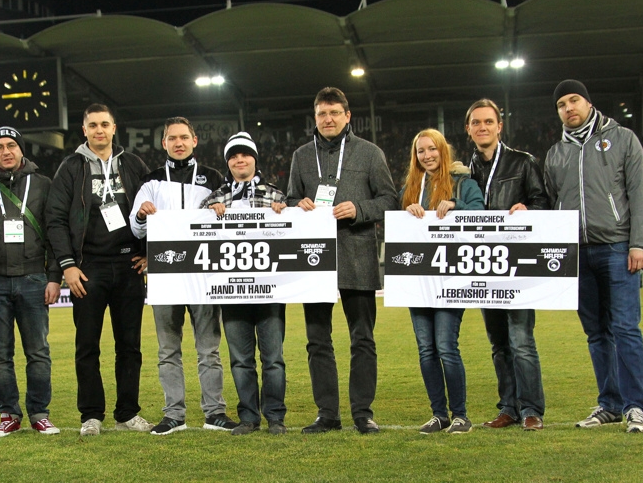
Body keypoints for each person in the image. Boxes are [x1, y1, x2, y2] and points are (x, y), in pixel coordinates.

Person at [286, 87, 398, 434]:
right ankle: (327, 414)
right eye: (322, 114)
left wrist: (359, 208)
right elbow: (290, 199)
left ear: (348, 116)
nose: (328, 119)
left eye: (335, 113)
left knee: (362, 337)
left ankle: (362, 413)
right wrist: (298, 205)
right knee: (317, 339)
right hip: (314, 260)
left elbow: (390, 200)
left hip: (358, 253)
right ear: (315, 118)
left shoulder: (370, 153)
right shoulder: (302, 155)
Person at [544, 79, 643, 433]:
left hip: (618, 246)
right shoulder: (556, 153)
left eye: (574, 100)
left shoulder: (622, 139)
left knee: (625, 328)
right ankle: (609, 404)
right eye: (562, 104)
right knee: (595, 333)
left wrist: (640, 242)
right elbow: (549, 202)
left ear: (588, 103)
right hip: (576, 253)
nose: (568, 108)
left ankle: (635, 407)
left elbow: (640, 193)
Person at [47, 104, 154, 436]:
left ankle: (127, 412)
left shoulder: (133, 164)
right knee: (87, 345)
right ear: (84, 129)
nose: (99, 130)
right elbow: (55, 219)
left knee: (130, 345)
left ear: (114, 127)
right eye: (92, 125)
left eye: (104, 124)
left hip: (128, 265)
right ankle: (91, 415)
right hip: (88, 268)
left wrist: (150, 253)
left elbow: (155, 207)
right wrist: (67, 266)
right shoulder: (70, 168)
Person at [130, 117, 238, 435]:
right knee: (168, 350)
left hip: (204, 277)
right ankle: (174, 415)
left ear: (194, 141)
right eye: (172, 138)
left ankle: (214, 413)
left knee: (208, 348)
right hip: (166, 276)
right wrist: (141, 213)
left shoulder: (215, 178)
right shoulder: (150, 182)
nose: (178, 143)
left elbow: (233, 222)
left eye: (184, 137)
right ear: (164, 143)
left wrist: (224, 209)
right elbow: (136, 228)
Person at [0, 126, 62, 437]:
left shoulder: (44, 185)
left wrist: (54, 278)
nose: (6, 152)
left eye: (11, 146)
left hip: (34, 278)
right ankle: (8, 413)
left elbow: (55, 234)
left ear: (21, 150)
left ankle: (39, 413)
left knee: (38, 351)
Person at [465, 98, 549, 431]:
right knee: (499, 343)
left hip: (515, 266)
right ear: (468, 129)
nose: (482, 127)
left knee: (521, 340)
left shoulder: (523, 162)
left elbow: (543, 201)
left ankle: (531, 409)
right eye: (476, 122)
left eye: (488, 122)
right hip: (483, 267)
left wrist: (531, 209)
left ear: (500, 126)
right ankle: (509, 408)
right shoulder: (464, 169)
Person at [198, 132, 288, 436]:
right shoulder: (214, 198)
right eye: (233, 156)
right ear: (228, 162)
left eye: (245, 154)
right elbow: (196, 235)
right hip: (231, 290)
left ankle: (275, 416)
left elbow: (293, 233)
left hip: (269, 288)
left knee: (273, 358)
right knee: (240, 360)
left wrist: (284, 213)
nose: (240, 160)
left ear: (254, 159)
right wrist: (209, 216)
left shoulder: (277, 195)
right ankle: (249, 418)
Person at [400, 129, 484, 434]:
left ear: (443, 150)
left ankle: (460, 415)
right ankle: (439, 414)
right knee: (426, 349)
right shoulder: (412, 187)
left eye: (432, 149)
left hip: (451, 279)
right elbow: (397, 220)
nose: (427, 156)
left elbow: (481, 211)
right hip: (419, 280)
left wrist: (457, 206)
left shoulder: (463, 183)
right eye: (421, 151)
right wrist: (406, 208)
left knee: (447, 346)